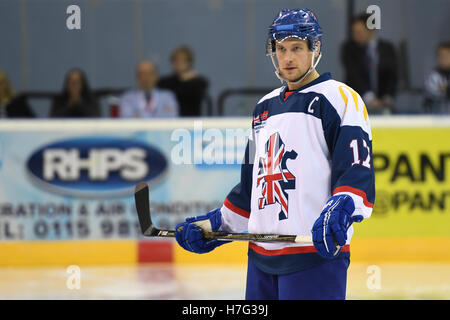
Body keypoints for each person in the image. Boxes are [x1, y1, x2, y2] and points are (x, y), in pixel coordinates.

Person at [174, 8, 375, 300]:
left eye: (296, 48)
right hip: (260, 260)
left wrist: (342, 206)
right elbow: (251, 188)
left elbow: (357, 170)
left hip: (313, 257)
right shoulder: (263, 108)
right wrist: (216, 225)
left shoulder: (340, 98)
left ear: (315, 49)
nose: (287, 58)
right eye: (281, 49)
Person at [341, 13, 398, 114]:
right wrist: (370, 98)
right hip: (356, 105)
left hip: (384, 106)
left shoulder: (387, 49)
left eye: (359, 32)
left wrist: (387, 97)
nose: (356, 36)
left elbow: (393, 74)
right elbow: (353, 75)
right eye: (353, 32)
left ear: (370, 30)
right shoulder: (349, 48)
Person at [158, 46, 208, 116]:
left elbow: (191, 93)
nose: (179, 63)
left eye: (183, 60)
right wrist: (183, 78)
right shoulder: (164, 82)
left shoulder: (199, 81)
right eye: (176, 60)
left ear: (190, 63)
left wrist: (184, 79)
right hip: (169, 122)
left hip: (192, 120)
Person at [424, 42, 450, 113]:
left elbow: (444, 90)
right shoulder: (433, 76)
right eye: (440, 56)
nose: (443, 59)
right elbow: (434, 93)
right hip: (436, 120)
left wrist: (446, 88)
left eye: (446, 56)